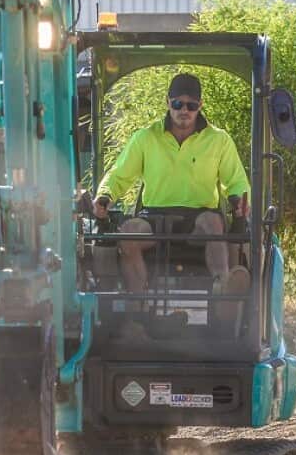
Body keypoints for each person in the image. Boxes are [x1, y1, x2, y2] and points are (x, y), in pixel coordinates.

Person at [94, 73, 251, 309]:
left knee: (213, 223)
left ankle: (223, 291)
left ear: (200, 106)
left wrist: (239, 200)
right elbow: (119, 175)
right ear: (168, 102)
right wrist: (104, 197)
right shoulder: (145, 138)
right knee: (128, 232)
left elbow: (236, 181)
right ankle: (138, 306)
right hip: (154, 217)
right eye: (178, 103)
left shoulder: (219, 140)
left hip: (199, 220)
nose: (183, 110)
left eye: (191, 105)